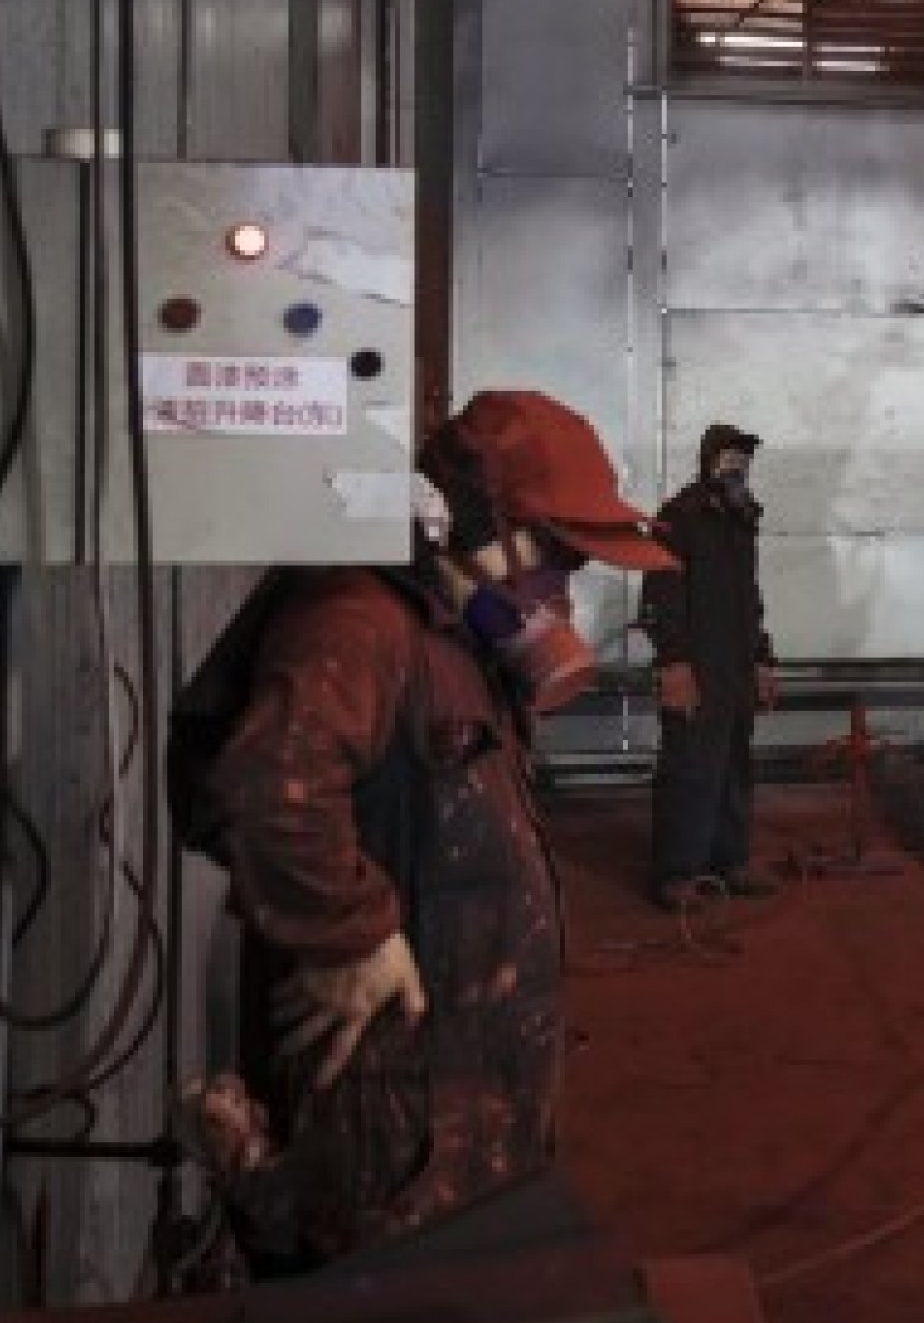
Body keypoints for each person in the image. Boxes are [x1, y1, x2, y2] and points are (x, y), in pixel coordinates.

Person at [186, 389, 675, 1273]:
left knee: (474, 1308)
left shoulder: (453, 635)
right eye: (556, 554)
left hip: (463, 1107)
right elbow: (270, 786)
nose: (562, 585)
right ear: (480, 526)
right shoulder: (359, 622)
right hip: (393, 1130)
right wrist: (351, 933)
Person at [639, 422, 779, 910]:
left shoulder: (741, 521)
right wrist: (673, 662)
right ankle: (677, 874)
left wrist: (762, 658)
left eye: (743, 460)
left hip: (735, 667)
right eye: (729, 458)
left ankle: (729, 861)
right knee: (689, 768)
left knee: (734, 766)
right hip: (696, 666)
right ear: (708, 461)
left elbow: (749, 598)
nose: (737, 468)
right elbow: (660, 593)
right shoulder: (679, 518)